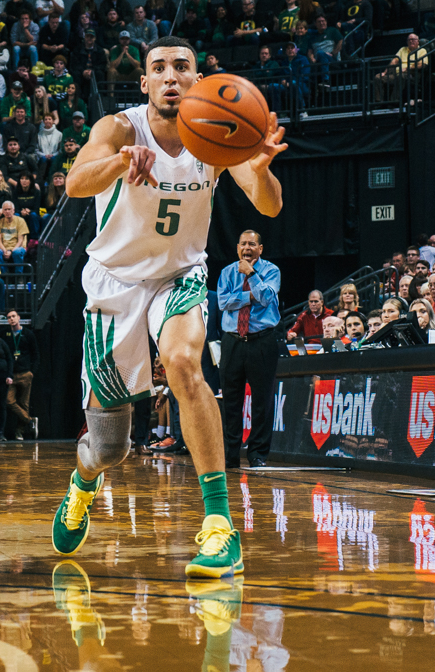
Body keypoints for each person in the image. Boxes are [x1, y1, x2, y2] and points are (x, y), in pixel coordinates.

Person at [50, 35, 286, 579]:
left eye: (183, 67)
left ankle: (220, 528)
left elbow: (268, 204)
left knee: (183, 363)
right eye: (160, 68)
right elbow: (76, 182)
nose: (171, 76)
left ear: (197, 80)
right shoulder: (119, 127)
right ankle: (84, 484)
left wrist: (263, 163)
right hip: (114, 283)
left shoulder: (217, 133)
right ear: (146, 82)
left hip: (180, 274)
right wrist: (118, 163)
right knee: (110, 449)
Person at [217, 230, 281, 469]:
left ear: (260, 249)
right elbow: (223, 303)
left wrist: (252, 275)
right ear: (237, 248)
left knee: (262, 401)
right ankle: (230, 455)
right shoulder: (226, 272)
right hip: (233, 341)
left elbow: (265, 297)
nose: (247, 248)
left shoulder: (272, 271)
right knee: (231, 400)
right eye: (243, 244)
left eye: (252, 244)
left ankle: (257, 454)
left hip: (262, 341)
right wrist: (250, 294)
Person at [3, 308, 38, 440]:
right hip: (11, 375)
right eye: (8, 317)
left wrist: (32, 372)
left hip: (25, 373)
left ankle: (20, 431)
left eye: (13, 316)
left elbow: (36, 354)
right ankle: (30, 421)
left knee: (24, 403)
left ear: (19, 318)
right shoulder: (6, 334)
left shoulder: (28, 334)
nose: (11, 319)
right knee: (9, 401)